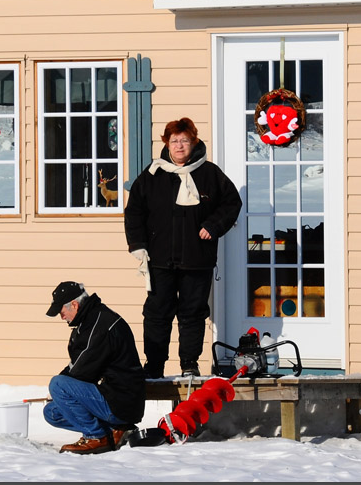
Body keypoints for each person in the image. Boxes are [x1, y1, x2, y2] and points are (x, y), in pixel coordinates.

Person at [124, 118, 242, 378]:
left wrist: (213, 225)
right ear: (166, 143)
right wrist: (138, 245)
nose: (179, 146)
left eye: (185, 141)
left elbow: (232, 203)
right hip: (159, 260)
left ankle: (189, 364)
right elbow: (134, 212)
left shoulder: (210, 174)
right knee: (157, 314)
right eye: (174, 140)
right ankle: (154, 365)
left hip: (197, 259)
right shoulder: (152, 174)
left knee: (192, 313)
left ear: (194, 143)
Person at [42, 281, 146, 454]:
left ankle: (97, 437)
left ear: (74, 305)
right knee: (52, 412)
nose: (62, 317)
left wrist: (59, 390)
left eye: (62, 312)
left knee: (58, 384)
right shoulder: (88, 321)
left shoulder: (101, 323)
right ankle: (115, 430)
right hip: (109, 395)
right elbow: (77, 364)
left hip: (121, 400)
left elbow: (83, 371)